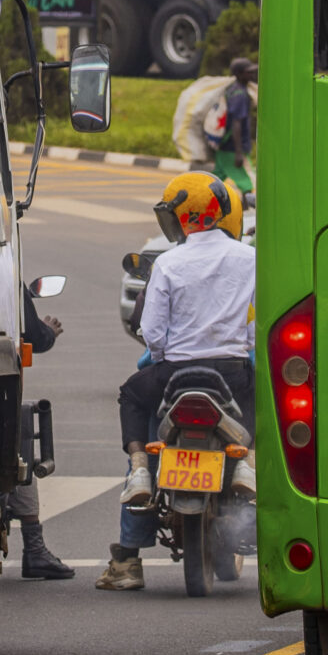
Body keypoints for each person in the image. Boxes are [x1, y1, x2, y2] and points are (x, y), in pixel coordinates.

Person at [98, 174, 256, 594]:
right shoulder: (249, 258)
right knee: (264, 393)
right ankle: (243, 461)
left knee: (132, 395)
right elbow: (259, 326)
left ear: (182, 217)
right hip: (232, 374)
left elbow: (152, 333)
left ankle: (138, 476)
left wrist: (169, 355)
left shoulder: (169, 262)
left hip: (175, 375)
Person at [2, 286, 71, 581]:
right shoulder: (0, 268)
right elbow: (34, 334)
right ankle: (34, 547)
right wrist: (48, 331)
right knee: (19, 444)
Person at [213, 57, 257, 198]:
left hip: (223, 147)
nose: (252, 75)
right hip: (233, 148)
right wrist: (239, 152)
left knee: (213, 183)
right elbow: (236, 123)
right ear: (238, 74)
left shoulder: (232, 90)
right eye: (248, 72)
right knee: (248, 185)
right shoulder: (240, 95)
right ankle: (244, 218)